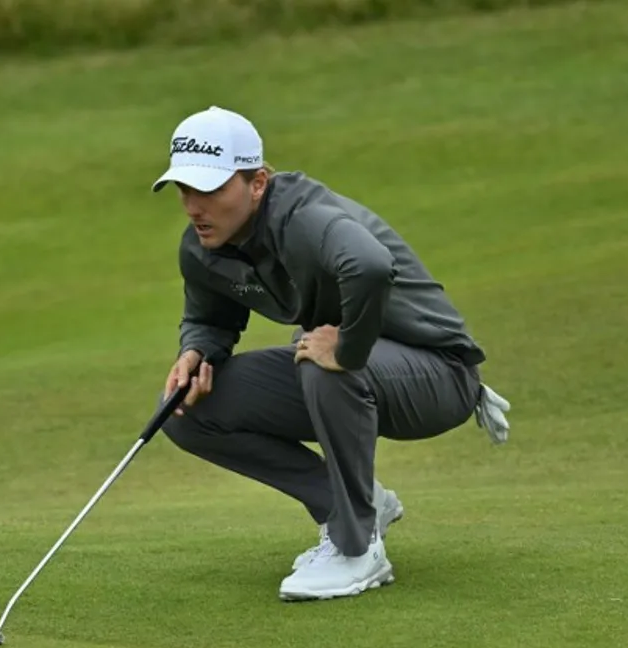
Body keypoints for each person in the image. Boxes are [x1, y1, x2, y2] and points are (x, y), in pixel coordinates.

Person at [150, 105, 511, 601]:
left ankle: (357, 548)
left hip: (439, 374)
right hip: (362, 374)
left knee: (319, 360)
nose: (194, 206)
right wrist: (195, 353)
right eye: (184, 189)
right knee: (184, 409)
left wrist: (347, 347)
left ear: (258, 182)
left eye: (210, 189)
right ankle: (356, 507)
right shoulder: (202, 247)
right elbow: (211, 321)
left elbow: (368, 265)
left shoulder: (303, 217)